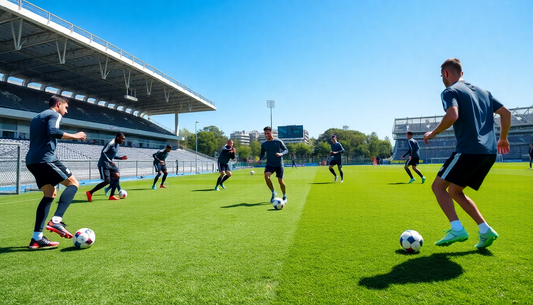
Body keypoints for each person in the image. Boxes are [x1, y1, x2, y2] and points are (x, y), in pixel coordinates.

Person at [424, 58, 511, 248]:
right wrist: (503, 138)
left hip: (469, 150)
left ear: (446, 73)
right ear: (462, 73)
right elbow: (506, 113)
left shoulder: (450, 91)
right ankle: (485, 230)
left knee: (438, 187)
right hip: (489, 152)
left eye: (441, 76)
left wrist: (434, 132)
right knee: (455, 190)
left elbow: (452, 115)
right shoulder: (484, 92)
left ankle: (456, 229)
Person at [26, 95, 86, 249]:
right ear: (59, 104)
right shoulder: (55, 114)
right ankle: (56, 221)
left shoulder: (36, 117)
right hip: (45, 159)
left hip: (32, 161)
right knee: (73, 184)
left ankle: (36, 238)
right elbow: (53, 131)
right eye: (65, 108)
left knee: (50, 193)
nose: (66, 112)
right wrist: (75, 136)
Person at [86, 133, 128, 201]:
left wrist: (121, 158)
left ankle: (111, 196)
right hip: (103, 164)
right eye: (122, 139)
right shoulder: (111, 143)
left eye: (123, 139)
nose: (123, 140)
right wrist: (109, 160)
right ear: (117, 137)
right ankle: (90, 192)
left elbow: (112, 155)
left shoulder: (117, 145)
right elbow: (103, 152)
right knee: (107, 181)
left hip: (110, 164)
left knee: (117, 176)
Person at [259, 126, 288, 203]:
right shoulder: (264, 144)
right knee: (266, 176)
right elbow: (262, 153)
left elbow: (286, 150)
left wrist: (281, 154)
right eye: (265, 134)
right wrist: (260, 159)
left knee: (280, 181)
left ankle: (284, 196)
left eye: (268, 133)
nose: (267, 135)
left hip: (279, 164)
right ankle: (273, 192)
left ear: (271, 133)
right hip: (270, 164)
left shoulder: (278, 141)